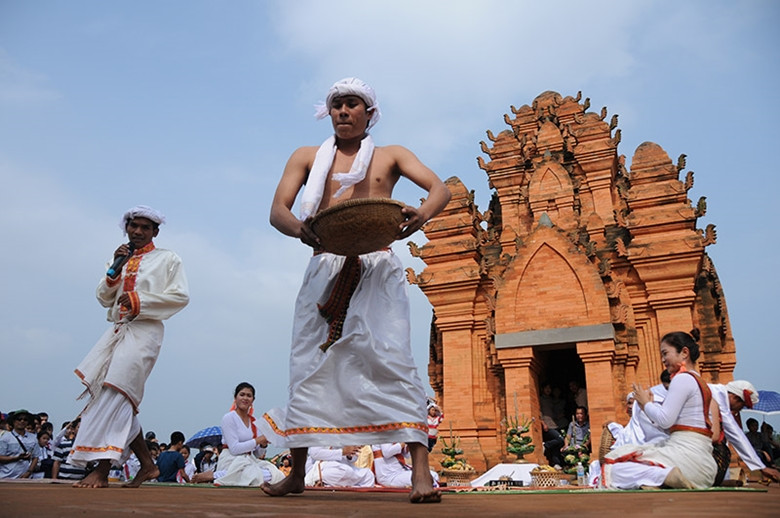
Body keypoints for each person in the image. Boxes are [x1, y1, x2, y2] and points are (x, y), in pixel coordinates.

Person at [261, 77, 451, 504]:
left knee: (393, 359)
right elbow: (277, 211)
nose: (344, 111)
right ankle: (297, 472)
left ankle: (421, 471)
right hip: (324, 264)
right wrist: (302, 231)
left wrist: (420, 216)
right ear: (329, 113)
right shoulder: (307, 157)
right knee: (308, 362)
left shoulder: (392, 155)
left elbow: (440, 190)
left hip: (378, 265)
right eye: (337, 105)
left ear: (369, 113)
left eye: (352, 104)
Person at [68, 205, 189, 488]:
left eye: (145, 227)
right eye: (134, 226)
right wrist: (114, 271)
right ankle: (147, 465)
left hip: (146, 331)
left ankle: (102, 469)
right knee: (117, 395)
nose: (137, 231)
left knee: (116, 391)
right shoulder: (120, 257)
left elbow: (180, 296)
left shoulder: (168, 259)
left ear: (155, 232)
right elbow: (103, 297)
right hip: (117, 330)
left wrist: (139, 301)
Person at [602, 330, 718, 489]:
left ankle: (664, 476)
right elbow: (669, 423)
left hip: (686, 459)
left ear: (684, 353)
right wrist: (648, 407)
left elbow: (665, 421)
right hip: (704, 466)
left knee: (614, 468)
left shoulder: (682, 379)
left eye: (665, 353)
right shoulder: (699, 381)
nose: (663, 360)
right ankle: (663, 478)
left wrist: (645, 403)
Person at [191, 382, 285, 486]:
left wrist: (263, 444)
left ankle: (219, 475)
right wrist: (258, 440)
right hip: (231, 460)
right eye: (242, 394)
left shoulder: (254, 421)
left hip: (249, 461)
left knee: (276, 475)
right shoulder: (229, 418)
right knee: (253, 475)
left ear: (253, 400)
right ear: (235, 398)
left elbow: (257, 454)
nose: (245, 398)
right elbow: (234, 449)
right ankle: (216, 475)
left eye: (249, 396)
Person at [708, 380, 780, 484]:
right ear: (735, 398)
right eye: (742, 406)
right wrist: (762, 467)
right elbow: (737, 435)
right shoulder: (718, 399)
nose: (740, 409)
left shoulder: (717, 395)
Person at [372, 443, 439, 488]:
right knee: (422, 479)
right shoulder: (384, 432)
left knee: (434, 475)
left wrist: (410, 445)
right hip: (388, 476)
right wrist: (402, 443)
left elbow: (406, 455)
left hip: (400, 471)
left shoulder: (394, 434)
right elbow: (387, 452)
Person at [303, 446, 375, 487]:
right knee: (344, 471)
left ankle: (332, 486)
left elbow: (353, 458)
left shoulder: (345, 431)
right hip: (322, 467)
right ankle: (323, 483)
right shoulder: (320, 429)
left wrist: (350, 455)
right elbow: (315, 454)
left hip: (342, 466)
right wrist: (342, 452)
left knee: (369, 475)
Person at [0, 410, 39, 479]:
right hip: (6, 477)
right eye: (19, 419)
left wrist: (29, 472)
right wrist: (17, 458)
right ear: (13, 421)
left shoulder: (33, 438)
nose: (22, 421)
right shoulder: (5, 438)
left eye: (25, 419)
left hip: (25, 478)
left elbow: (35, 457)